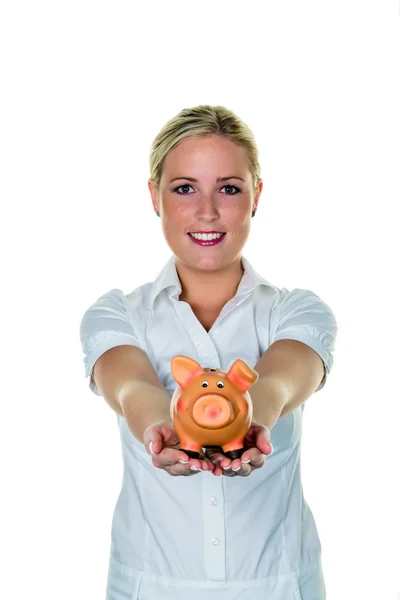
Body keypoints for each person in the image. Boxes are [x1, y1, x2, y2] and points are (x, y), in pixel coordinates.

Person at [79, 104, 338, 600]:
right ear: (154, 196)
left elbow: (280, 380)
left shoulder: (299, 312)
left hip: (281, 587)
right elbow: (133, 387)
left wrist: (248, 424)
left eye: (228, 188)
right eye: (183, 189)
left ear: (256, 195)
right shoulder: (117, 314)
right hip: (148, 587)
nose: (206, 211)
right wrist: (162, 429)